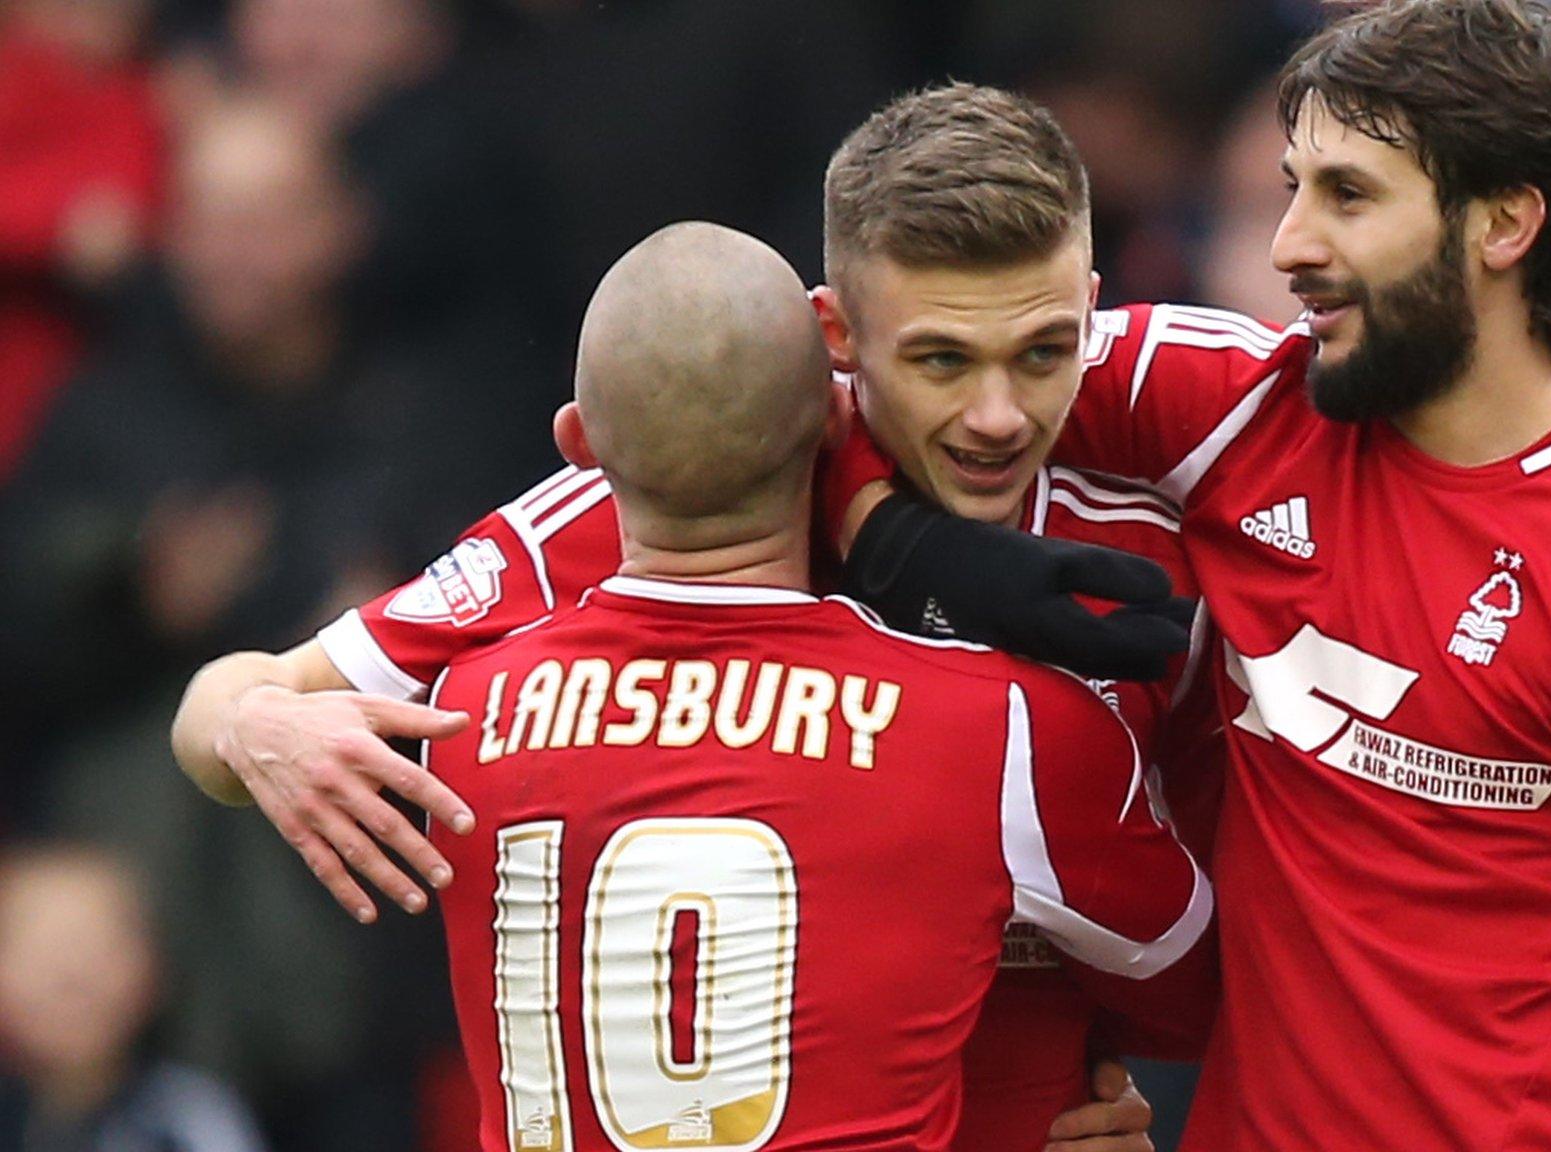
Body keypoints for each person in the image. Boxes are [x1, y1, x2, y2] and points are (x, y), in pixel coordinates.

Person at [826, 1, 1551, 1147]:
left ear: (1501, 223)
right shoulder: (1241, 406)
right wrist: (903, 545)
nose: (1288, 243)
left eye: (1345, 196)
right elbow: (810, 379)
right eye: (1292, 187)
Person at [172, 85, 1201, 1151]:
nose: (997, 414)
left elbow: (1218, 956)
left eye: (1042, 353)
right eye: (939, 359)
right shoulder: (639, 494)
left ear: (1088, 314)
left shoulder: (1152, 526)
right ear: (836, 340)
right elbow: (225, 705)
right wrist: (257, 726)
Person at [418, 220, 1215, 1151]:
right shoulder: (1000, 723)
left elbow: (261, 700)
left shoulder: (458, 711)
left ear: (577, 444)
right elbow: (1187, 998)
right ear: (841, 426)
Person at [0, 842, 270, 1152]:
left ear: (150, 968)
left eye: (93, 948)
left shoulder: (191, 1121)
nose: (71, 978)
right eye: (43, 950)